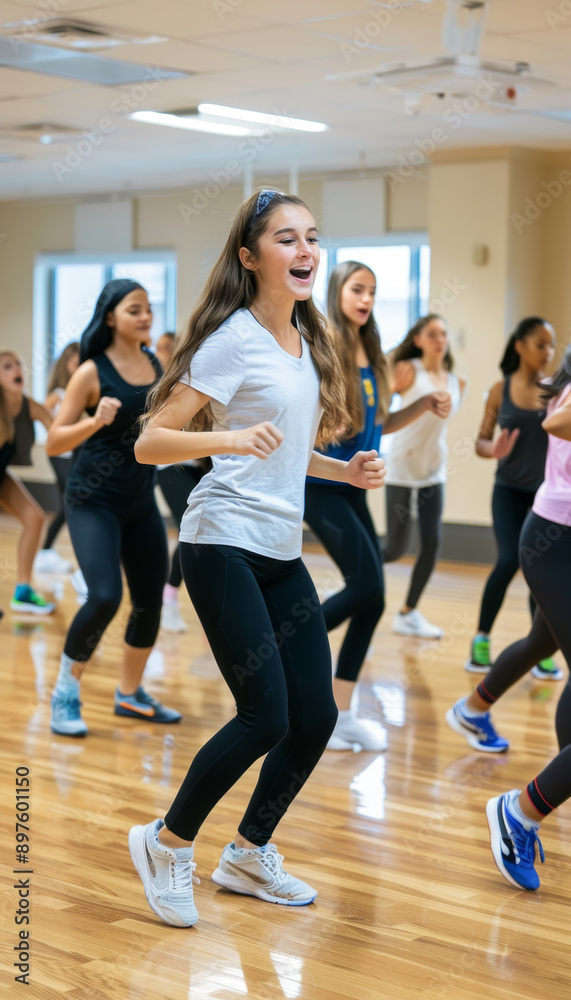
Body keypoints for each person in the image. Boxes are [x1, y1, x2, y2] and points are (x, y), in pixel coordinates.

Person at [128, 189, 386, 928]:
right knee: (264, 714)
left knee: (312, 718)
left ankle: (247, 852)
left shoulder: (306, 339)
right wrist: (227, 441)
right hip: (220, 543)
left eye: (311, 237)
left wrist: (345, 472)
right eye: (285, 239)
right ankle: (165, 840)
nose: (305, 251)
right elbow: (151, 441)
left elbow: (288, 448)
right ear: (249, 257)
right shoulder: (230, 339)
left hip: (278, 547)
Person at [304, 262, 451, 751]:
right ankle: (291, 641)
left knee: (375, 599)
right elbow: (319, 420)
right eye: (356, 289)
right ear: (337, 291)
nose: (365, 298)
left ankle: (338, 713)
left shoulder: (374, 351)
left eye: (371, 291)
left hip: (354, 485)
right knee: (365, 584)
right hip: (323, 484)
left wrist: (423, 405)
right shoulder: (323, 343)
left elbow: (378, 423)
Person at [46, 278, 180, 737]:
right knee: (105, 596)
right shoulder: (90, 372)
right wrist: (93, 420)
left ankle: (129, 693)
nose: (145, 317)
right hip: (92, 500)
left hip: (141, 500)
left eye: (147, 309)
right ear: (110, 318)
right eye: (134, 310)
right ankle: (65, 689)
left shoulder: (154, 362)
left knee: (149, 600)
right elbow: (53, 441)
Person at [479, 345, 571, 891]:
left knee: (548, 645)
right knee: (542, 643)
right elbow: (557, 420)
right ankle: (520, 811)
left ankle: (556, 782)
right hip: (554, 540)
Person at [465, 317, 560, 678]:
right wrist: (493, 449)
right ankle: (481, 638)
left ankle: (541, 645)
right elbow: (480, 441)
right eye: (540, 343)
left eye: (551, 345)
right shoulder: (497, 390)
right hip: (507, 492)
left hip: (544, 499)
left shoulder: (556, 392)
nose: (547, 352)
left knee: (541, 571)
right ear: (519, 345)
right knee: (508, 560)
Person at [382, 314, 466, 638]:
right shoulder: (407, 370)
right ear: (417, 339)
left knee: (431, 543)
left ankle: (408, 613)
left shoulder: (457, 381)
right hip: (402, 465)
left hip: (433, 469)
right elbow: (382, 414)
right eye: (432, 333)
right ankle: (354, 579)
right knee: (394, 549)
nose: (439, 339)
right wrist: (393, 388)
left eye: (443, 333)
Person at [153, 331, 210, 633]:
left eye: (169, 347)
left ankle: (213, 601)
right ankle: (169, 596)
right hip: (170, 466)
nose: (164, 352)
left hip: (200, 463)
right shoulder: (159, 385)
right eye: (160, 347)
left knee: (209, 528)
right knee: (193, 526)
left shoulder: (196, 377)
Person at [0, 349, 55, 614]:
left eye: (18, 365)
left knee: (35, 517)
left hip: (2, 476)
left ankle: (22, 591)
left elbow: (57, 431)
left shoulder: (28, 405)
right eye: (7, 366)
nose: (16, 370)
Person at [34, 342, 80, 575]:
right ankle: (44, 551)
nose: (80, 366)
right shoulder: (58, 395)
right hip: (59, 455)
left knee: (68, 504)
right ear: (66, 365)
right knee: (70, 503)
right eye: (75, 363)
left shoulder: (80, 393)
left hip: (72, 453)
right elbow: (40, 413)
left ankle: (46, 551)